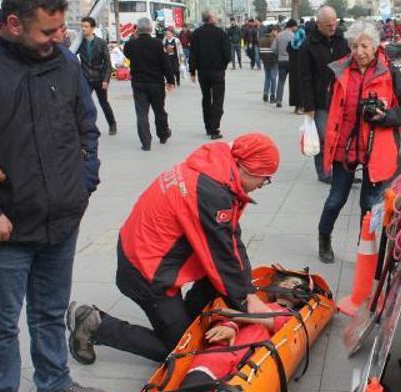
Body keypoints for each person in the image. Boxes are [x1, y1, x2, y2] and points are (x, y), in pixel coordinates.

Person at [0, 1, 105, 392]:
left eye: (61, 29)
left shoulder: (65, 61)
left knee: (51, 310)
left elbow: (86, 125)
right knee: (0, 325)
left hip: (62, 219)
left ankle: (53, 383)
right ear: (14, 24)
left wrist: (84, 182)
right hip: (5, 228)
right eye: (48, 32)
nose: (60, 39)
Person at [66, 134, 280, 364]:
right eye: (265, 179)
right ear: (249, 169)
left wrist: (246, 290)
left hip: (146, 252)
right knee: (182, 350)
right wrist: (246, 302)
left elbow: (230, 239)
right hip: (146, 272)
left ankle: (186, 320)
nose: (262, 186)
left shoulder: (215, 168)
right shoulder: (212, 192)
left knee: (214, 291)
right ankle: (94, 324)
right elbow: (222, 256)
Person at [155, 273, 310, 392]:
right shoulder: (255, 304)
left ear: (300, 297)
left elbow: (277, 323)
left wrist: (234, 316)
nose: (289, 284)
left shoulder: (293, 318)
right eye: (285, 281)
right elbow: (221, 319)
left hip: (247, 370)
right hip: (218, 356)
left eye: (295, 284)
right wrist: (231, 324)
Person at [317, 19, 401, 263]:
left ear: (376, 46)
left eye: (365, 46)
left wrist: (385, 116)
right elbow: (331, 107)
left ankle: (364, 247)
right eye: (355, 46)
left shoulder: (390, 73)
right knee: (336, 198)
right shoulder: (340, 70)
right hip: (344, 147)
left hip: (376, 149)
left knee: (368, 204)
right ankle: (324, 237)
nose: (359, 52)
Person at [299, 6, 350, 184]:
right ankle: (324, 171)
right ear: (318, 24)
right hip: (320, 101)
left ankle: (342, 170)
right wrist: (309, 106)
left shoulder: (342, 41)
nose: (333, 27)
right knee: (323, 138)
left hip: (341, 98)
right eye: (328, 25)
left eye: (334, 23)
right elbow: (304, 78)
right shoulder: (308, 45)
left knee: (342, 136)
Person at [124, 17, 175, 151]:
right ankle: (163, 134)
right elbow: (166, 64)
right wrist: (170, 80)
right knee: (159, 110)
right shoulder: (158, 44)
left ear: (137, 30)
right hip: (156, 83)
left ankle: (146, 142)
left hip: (138, 83)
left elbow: (127, 53)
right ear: (151, 29)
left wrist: (134, 36)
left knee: (141, 113)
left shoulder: (131, 45)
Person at [190, 9, 232, 140]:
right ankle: (215, 128)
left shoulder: (196, 33)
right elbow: (227, 53)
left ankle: (208, 126)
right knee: (218, 100)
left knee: (206, 98)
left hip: (203, 71)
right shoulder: (220, 33)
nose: (217, 18)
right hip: (217, 71)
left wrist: (192, 71)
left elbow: (193, 54)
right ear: (210, 18)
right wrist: (223, 65)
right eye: (215, 16)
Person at [78, 16, 117, 135]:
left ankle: (112, 124)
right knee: (83, 103)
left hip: (99, 78)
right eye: (82, 26)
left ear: (92, 28)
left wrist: (106, 79)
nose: (83, 29)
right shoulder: (79, 42)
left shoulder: (101, 43)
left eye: (86, 26)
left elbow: (107, 63)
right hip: (85, 78)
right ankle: (85, 127)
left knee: (104, 103)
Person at [273, 19, 296, 108]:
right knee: (292, 82)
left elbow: (273, 48)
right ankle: (293, 101)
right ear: (292, 26)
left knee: (281, 81)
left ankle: (279, 99)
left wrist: (279, 54)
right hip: (291, 61)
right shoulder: (293, 36)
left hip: (281, 60)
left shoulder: (279, 35)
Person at [287, 21, 306, 114]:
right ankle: (297, 106)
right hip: (294, 66)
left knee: (299, 86)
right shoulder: (293, 39)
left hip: (300, 65)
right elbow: (289, 49)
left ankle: (300, 106)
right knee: (294, 86)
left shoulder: (301, 37)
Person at [259, 25, 279, 103]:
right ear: (272, 31)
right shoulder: (274, 39)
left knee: (267, 77)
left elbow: (260, 51)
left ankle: (265, 93)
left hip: (265, 61)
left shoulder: (262, 39)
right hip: (273, 61)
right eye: (275, 31)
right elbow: (276, 51)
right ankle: (272, 96)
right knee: (273, 79)